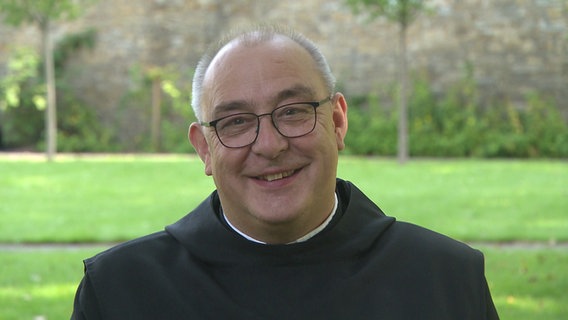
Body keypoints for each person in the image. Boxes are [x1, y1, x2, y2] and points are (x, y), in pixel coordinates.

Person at [71, 25, 499, 319]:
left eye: (292, 112)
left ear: (337, 122)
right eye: (235, 121)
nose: (270, 145)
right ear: (204, 149)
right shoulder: (120, 291)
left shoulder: (444, 279)